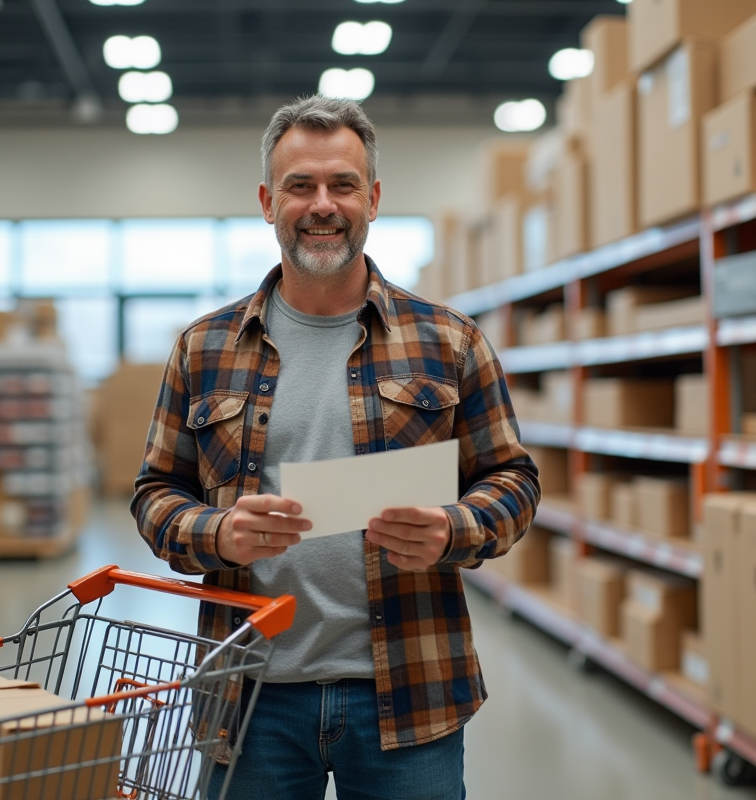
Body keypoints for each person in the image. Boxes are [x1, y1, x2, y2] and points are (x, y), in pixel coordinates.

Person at [131, 94, 539, 800]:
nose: (323, 204)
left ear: (373, 198)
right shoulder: (204, 348)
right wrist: (218, 532)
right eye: (301, 186)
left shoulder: (451, 341)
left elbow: (513, 479)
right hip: (250, 699)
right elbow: (154, 493)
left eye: (342, 184)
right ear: (268, 202)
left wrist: (452, 529)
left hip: (410, 692)